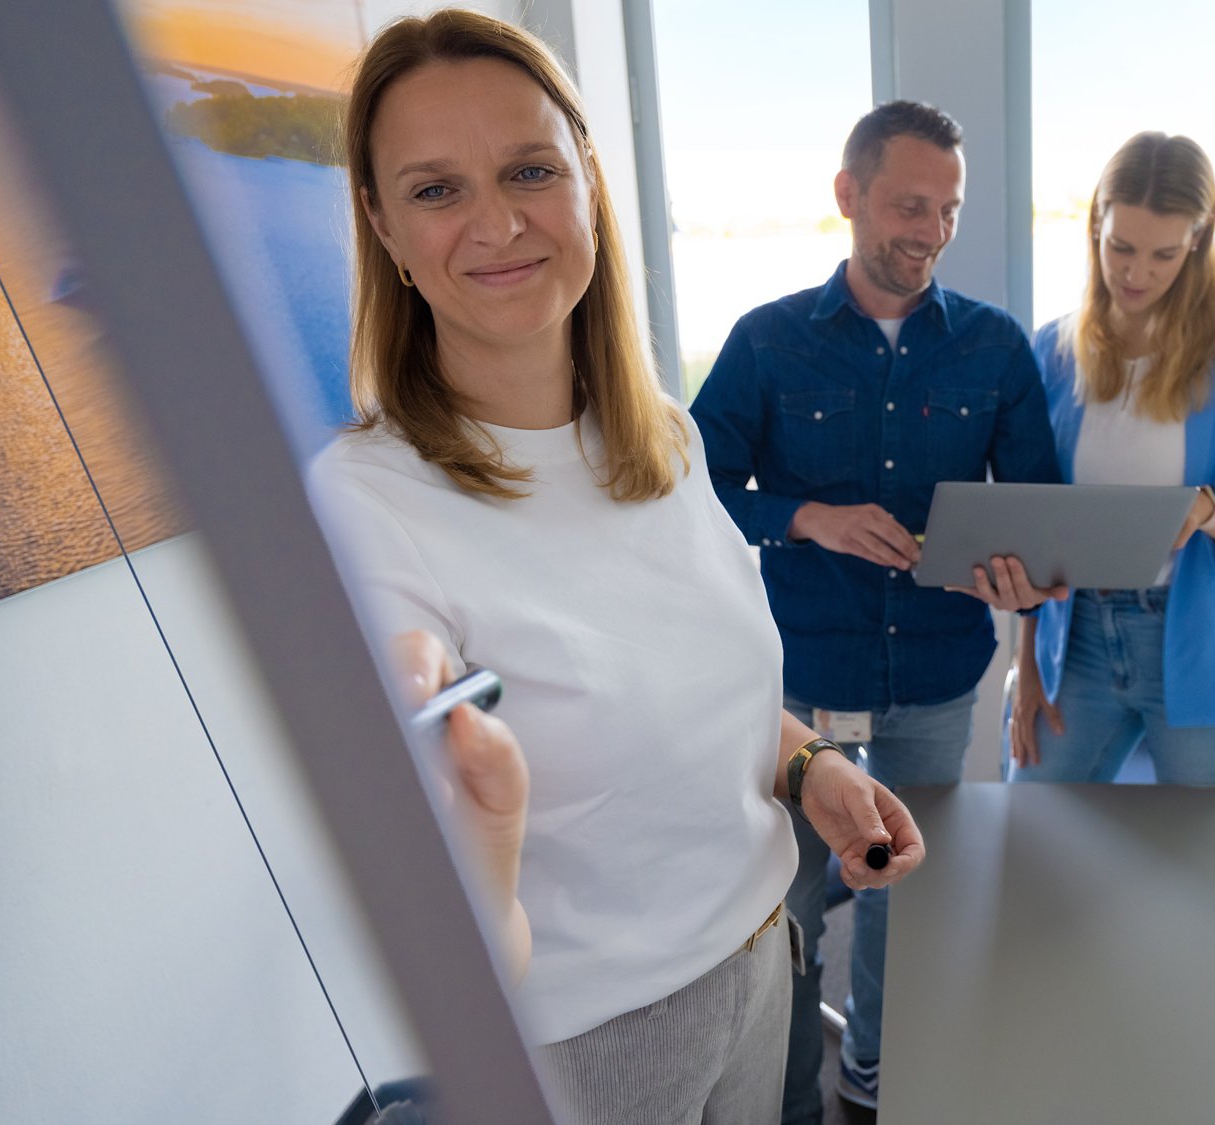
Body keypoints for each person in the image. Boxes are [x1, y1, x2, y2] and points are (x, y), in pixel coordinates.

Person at [304, 12, 927, 1123]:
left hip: (761, 960)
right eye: (436, 190)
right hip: (585, 1046)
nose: (497, 222)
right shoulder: (364, 506)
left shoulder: (664, 441)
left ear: (587, 180)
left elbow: (706, 696)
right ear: (381, 226)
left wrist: (806, 769)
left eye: (530, 169)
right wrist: (471, 843)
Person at [691, 100, 1062, 1119]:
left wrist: (1023, 577)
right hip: (805, 686)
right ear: (848, 195)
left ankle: (877, 1076)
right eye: (909, 205)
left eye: (947, 210)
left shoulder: (992, 349)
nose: (931, 232)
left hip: (939, 679)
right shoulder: (764, 344)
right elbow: (691, 492)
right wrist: (806, 515)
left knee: (909, 897)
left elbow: (1033, 512)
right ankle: (790, 1096)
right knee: (796, 902)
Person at [1008, 131, 1215, 786]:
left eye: (1163, 254)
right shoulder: (1054, 350)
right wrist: (1027, 664)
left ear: (1198, 241)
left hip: (1213, 642)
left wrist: (1210, 510)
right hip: (1081, 642)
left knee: (1203, 865)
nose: (1136, 272)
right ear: (1096, 225)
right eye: (1120, 246)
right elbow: (1037, 521)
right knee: (1035, 838)